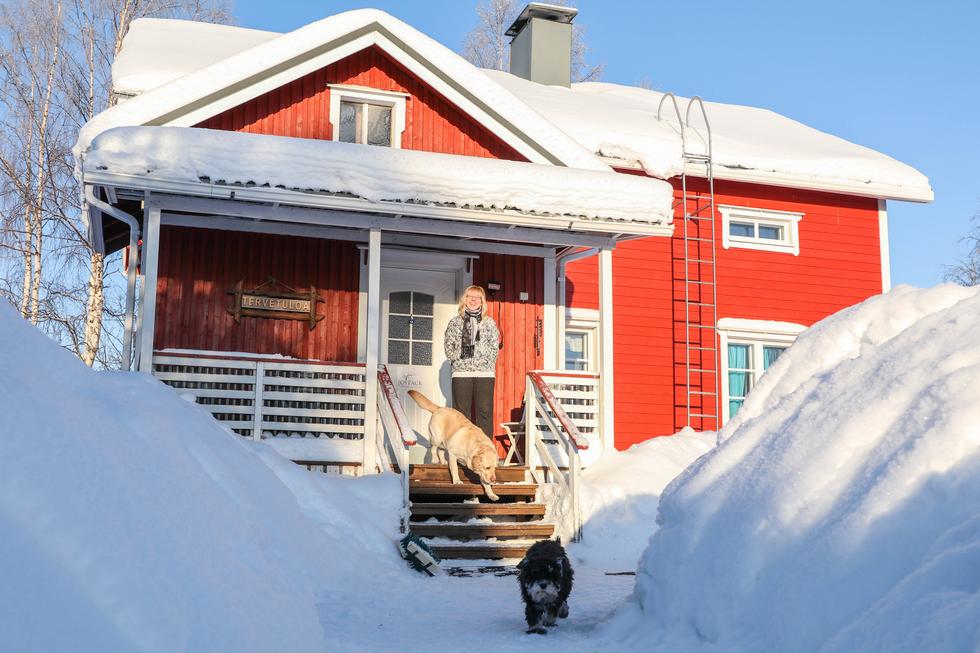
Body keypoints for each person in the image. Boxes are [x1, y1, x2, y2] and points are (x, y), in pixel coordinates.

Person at [444, 285, 499, 441]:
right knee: (461, 414)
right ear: (464, 300)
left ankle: (484, 450)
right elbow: (448, 346)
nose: (473, 300)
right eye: (470, 296)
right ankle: (461, 451)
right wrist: (459, 360)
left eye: (477, 297)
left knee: (485, 412)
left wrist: (484, 362)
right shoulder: (455, 322)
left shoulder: (489, 323)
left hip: (485, 373)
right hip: (462, 373)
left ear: (482, 302)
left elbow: (494, 347)